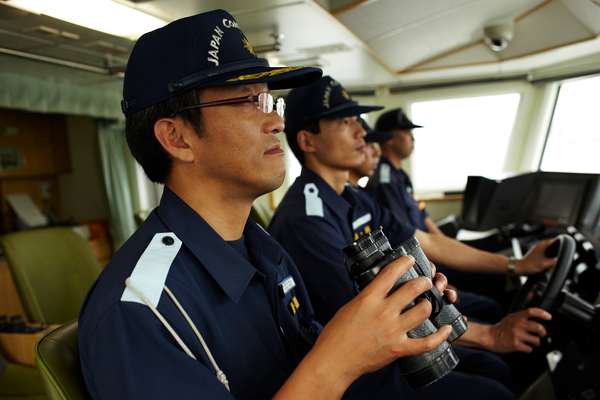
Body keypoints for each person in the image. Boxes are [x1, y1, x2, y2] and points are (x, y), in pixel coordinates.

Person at [78, 10, 454, 400]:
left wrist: (399, 324)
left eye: (270, 101)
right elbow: (324, 369)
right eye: (247, 101)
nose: (276, 122)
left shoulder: (263, 248)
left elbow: (301, 359)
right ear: (176, 138)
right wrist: (338, 359)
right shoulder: (139, 310)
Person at [270, 76, 556, 394]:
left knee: (494, 368)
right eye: (343, 121)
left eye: (357, 119)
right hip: (361, 368)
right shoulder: (305, 220)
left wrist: (515, 266)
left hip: (392, 341)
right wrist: (489, 336)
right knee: (493, 390)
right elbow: (370, 314)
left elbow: (427, 241)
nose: (361, 131)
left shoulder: (353, 197)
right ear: (308, 141)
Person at [351, 119, 504, 323]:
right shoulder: (385, 180)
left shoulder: (398, 177)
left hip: (427, 259)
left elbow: (425, 224)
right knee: (491, 297)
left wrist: (453, 248)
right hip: (421, 265)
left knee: (493, 248)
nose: (375, 152)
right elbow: (408, 242)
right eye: (406, 132)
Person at [366, 108, 443, 233]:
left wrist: (442, 241)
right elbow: (402, 230)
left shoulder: (400, 175)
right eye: (407, 132)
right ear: (390, 139)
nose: (412, 138)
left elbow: (420, 213)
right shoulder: (385, 178)